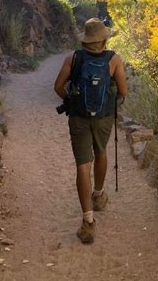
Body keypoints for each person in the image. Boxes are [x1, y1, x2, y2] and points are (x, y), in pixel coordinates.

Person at [54, 18, 127, 244]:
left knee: (82, 165)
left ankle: (88, 221)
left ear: (85, 39)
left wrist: (72, 101)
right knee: (101, 152)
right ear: (104, 38)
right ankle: (98, 195)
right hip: (103, 118)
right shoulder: (114, 59)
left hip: (78, 118)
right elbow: (123, 91)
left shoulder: (73, 58)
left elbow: (58, 87)